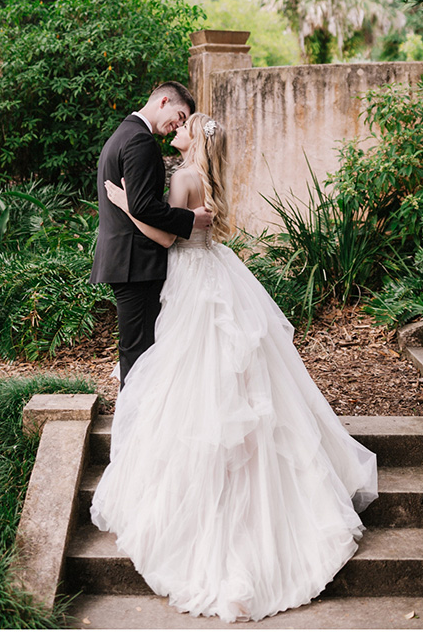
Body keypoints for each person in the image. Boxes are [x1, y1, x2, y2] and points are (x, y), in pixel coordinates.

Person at [91, 113, 378, 624]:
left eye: (183, 126)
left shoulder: (182, 176)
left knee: (192, 371)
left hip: (191, 281)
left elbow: (165, 239)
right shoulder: (208, 176)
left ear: (193, 138)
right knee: (232, 372)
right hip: (218, 272)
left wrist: (124, 205)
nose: (175, 130)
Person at [90, 81, 212, 387]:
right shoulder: (140, 141)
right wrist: (189, 219)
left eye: (184, 123)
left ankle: (135, 426)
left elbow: (137, 204)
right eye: (180, 115)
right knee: (139, 354)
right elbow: (143, 206)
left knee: (136, 351)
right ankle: (133, 430)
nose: (178, 125)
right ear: (165, 101)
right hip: (137, 263)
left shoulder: (123, 133)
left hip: (127, 261)